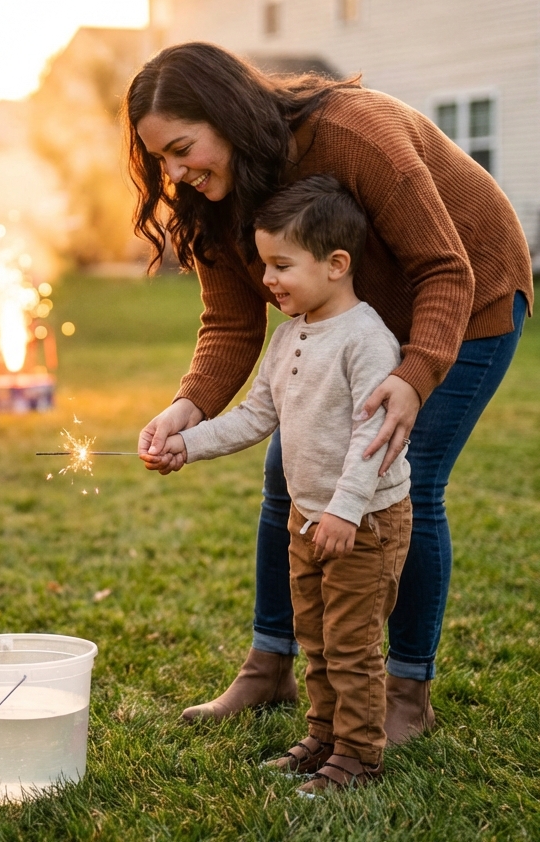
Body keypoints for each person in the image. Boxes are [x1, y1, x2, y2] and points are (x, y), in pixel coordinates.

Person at [130, 43, 531, 741]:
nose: (175, 172)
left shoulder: (354, 134)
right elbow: (230, 322)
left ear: (226, 116)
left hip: (467, 301)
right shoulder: (215, 197)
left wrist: (412, 375)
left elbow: (445, 268)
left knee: (407, 480)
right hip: (342, 326)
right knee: (285, 475)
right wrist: (186, 409)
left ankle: (406, 690)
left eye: (184, 148)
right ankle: (269, 666)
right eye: (161, 158)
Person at [162, 176, 411, 795]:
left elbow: (372, 442)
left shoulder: (366, 341)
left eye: (281, 265)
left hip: (362, 524)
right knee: (316, 641)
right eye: (264, 264)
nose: (267, 279)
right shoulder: (288, 335)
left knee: (352, 646)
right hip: (306, 521)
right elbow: (255, 417)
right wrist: (185, 445)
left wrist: (345, 513)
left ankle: (358, 756)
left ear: (336, 265)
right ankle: (323, 736)